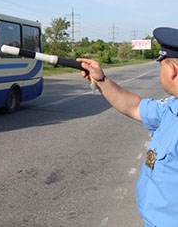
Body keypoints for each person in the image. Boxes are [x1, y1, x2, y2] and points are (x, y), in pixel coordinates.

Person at [76, 27, 178, 227]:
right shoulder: (172, 107)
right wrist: (101, 80)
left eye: (162, 66)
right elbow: (134, 107)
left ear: (172, 70)